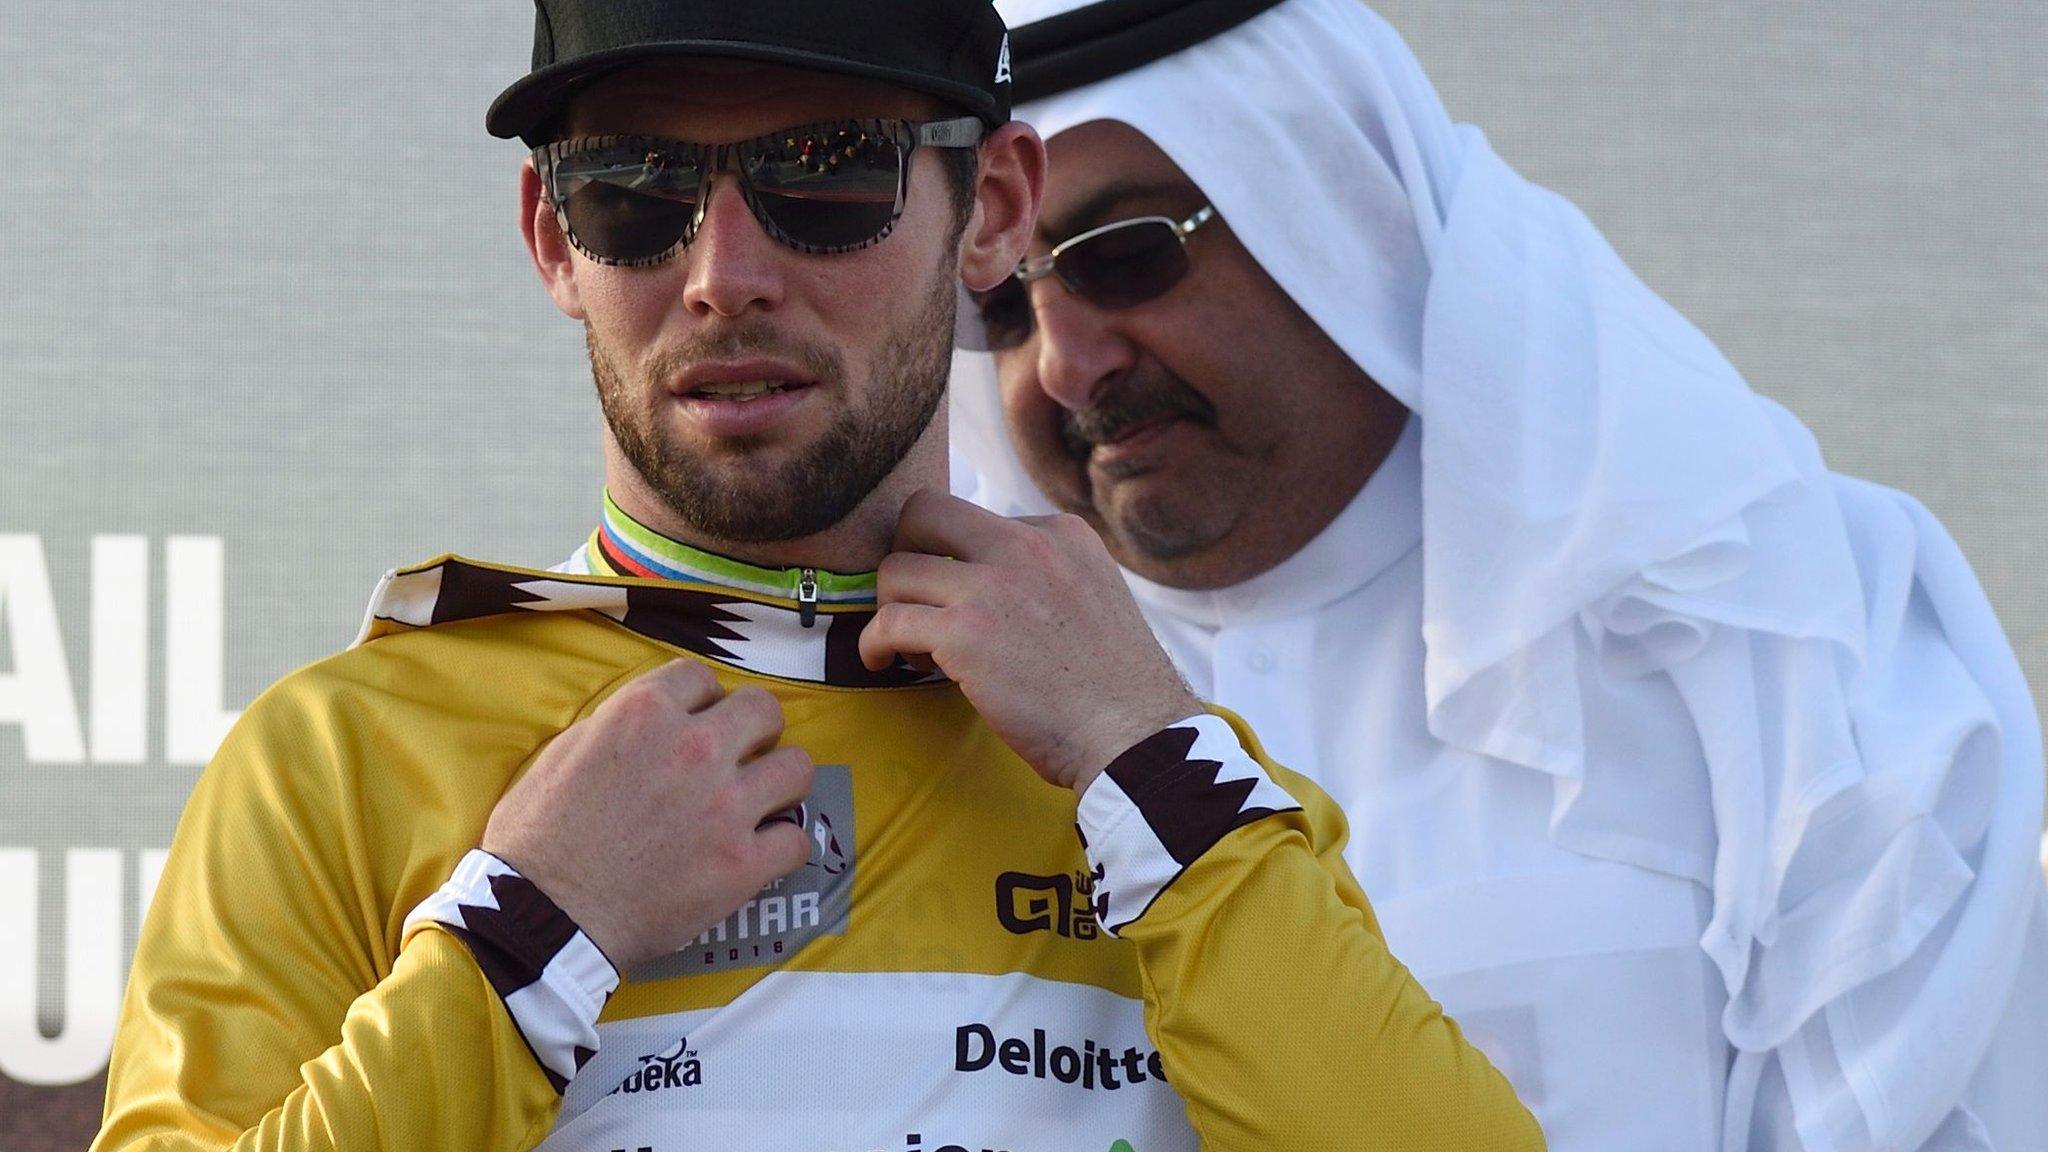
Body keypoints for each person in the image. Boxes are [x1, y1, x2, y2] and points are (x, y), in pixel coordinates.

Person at [90, 2, 1544, 1150]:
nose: (722, 271)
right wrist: (529, 933)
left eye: (825, 173)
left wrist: (1146, 765)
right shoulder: (339, 753)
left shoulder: (1159, 759)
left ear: (991, 211)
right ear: (553, 240)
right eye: (634, 191)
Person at [951, 1, 2048, 1149]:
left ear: (1334, 211)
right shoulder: (939, 701)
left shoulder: (1787, 620)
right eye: (996, 308)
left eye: (1126, 258)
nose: (1067, 367)